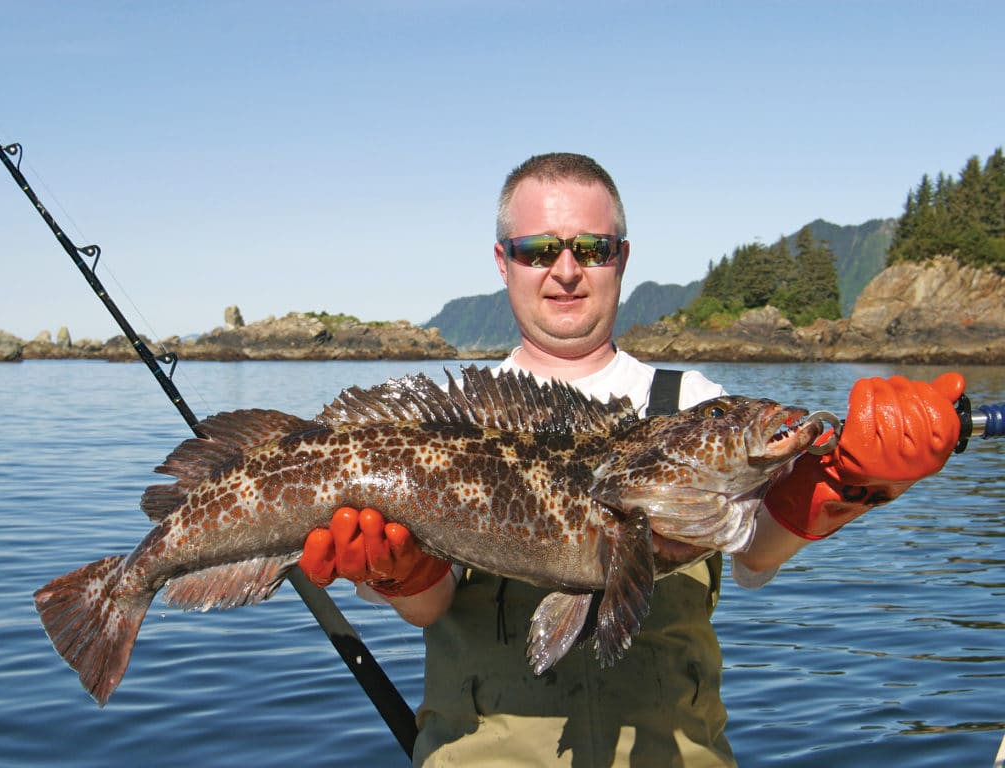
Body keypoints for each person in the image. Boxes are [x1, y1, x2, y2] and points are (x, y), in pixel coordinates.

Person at [298, 153, 964, 766]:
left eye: (591, 247)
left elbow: (757, 550)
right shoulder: (443, 426)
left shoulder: (692, 401)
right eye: (537, 251)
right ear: (503, 262)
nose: (566, 270)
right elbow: (430, 607)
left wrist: (859, 478)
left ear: (622, 258)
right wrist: (398, 573)